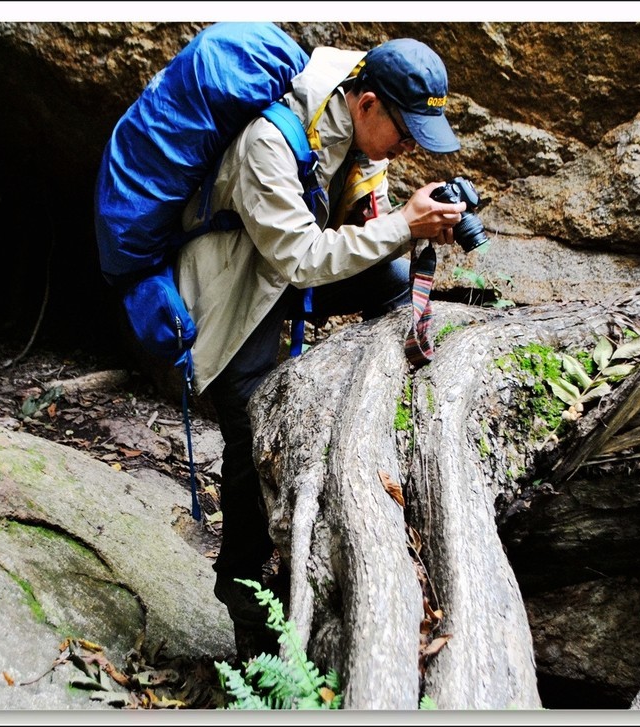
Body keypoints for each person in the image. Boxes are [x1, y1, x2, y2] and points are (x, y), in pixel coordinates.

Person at [174, 36, 466, 659]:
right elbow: (302, 259)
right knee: (255, 440)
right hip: (235, 292)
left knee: (389, 279)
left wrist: (405, 221)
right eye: (406, 131)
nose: (411, 145)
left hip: (281, 271)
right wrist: (402, 227)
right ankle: (247, 607)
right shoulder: (270, 143)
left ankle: (388, 416)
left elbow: (355, 227)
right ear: (366, 104)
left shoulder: (354, 131)